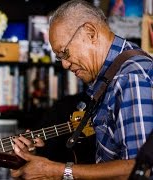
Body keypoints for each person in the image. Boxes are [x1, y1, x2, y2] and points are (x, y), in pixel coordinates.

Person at [11, 0, 153, 179]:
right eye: (59, 58)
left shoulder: (129, 77)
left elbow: (141, 170)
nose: (64, 64)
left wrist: (57, 171)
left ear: (90, 32)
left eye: (65, 53)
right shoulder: (111, 76)